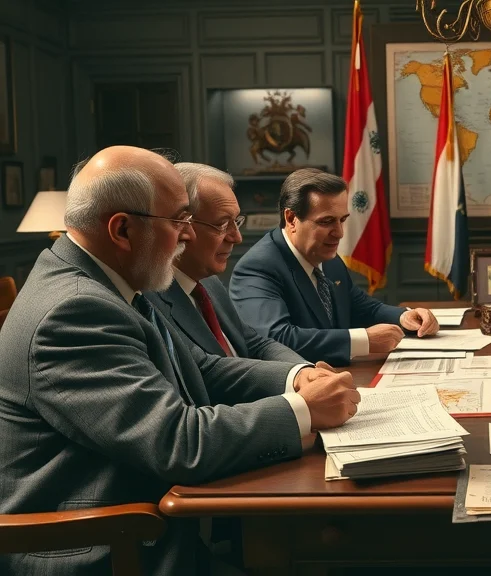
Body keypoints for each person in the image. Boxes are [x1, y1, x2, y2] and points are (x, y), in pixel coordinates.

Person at [0, 146, 360, 576]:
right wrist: (303, 411)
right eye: (179, 220)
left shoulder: (110, 282)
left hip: (153, 523)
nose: (188, 234)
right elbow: (178, 444)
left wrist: (297, 379)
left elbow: (200, 365)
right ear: (122, 230)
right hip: (113, 548)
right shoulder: (73, 311)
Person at [230, 168, 439, 366]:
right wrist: (363, 340)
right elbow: (276, 339)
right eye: (327, 221)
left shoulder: (327, 256)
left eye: (343, 220)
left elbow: (360, 306)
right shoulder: (257, 268)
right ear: (291, 218)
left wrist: (405, 317)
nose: (339, 233)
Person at [146, 163, 305, 364]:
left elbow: (255, 343)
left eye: (236, 222)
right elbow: (210, 373)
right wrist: (296, 380)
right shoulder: (151, 300)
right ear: (181, 224)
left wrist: (304, 371)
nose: (236, 238)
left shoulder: (209, 283)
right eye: (222, 224)